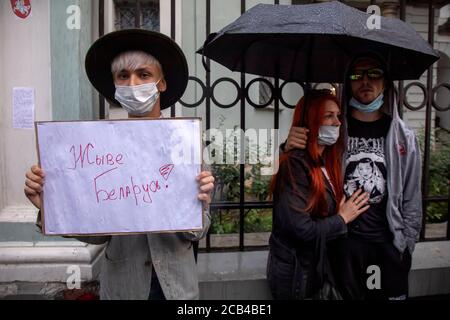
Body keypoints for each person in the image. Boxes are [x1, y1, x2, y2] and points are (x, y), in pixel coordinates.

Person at [24, 29, 214, 300]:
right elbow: (97, 234)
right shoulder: (99, 149)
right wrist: (50, 208)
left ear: (161, 83)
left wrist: (197, 205)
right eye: (123, 76)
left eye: (144, 75)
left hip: (176, 289)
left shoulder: (187, 143)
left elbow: (199, 231)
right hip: (124, 288)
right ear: (114, 85)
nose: (133, 83)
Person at [284, 53, 423, 300]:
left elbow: (412, 196)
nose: (365, 81)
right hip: (343, 247)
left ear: (386, 82)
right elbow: (304, 166)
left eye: (374, 74)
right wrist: (286, 147)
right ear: (348, 83)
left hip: (387, 248)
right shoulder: (335, 128)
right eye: (357, 75)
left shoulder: (403, 136)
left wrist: (405, 246)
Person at [267, 89, 370, 300]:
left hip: (316, 269)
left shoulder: (328, 160)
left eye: (338, 116)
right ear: (311, 120)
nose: (337, 123)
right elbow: (301, 229)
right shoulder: (295, 164)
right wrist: (343, 218)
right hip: (297, 275)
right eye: (328, 116)